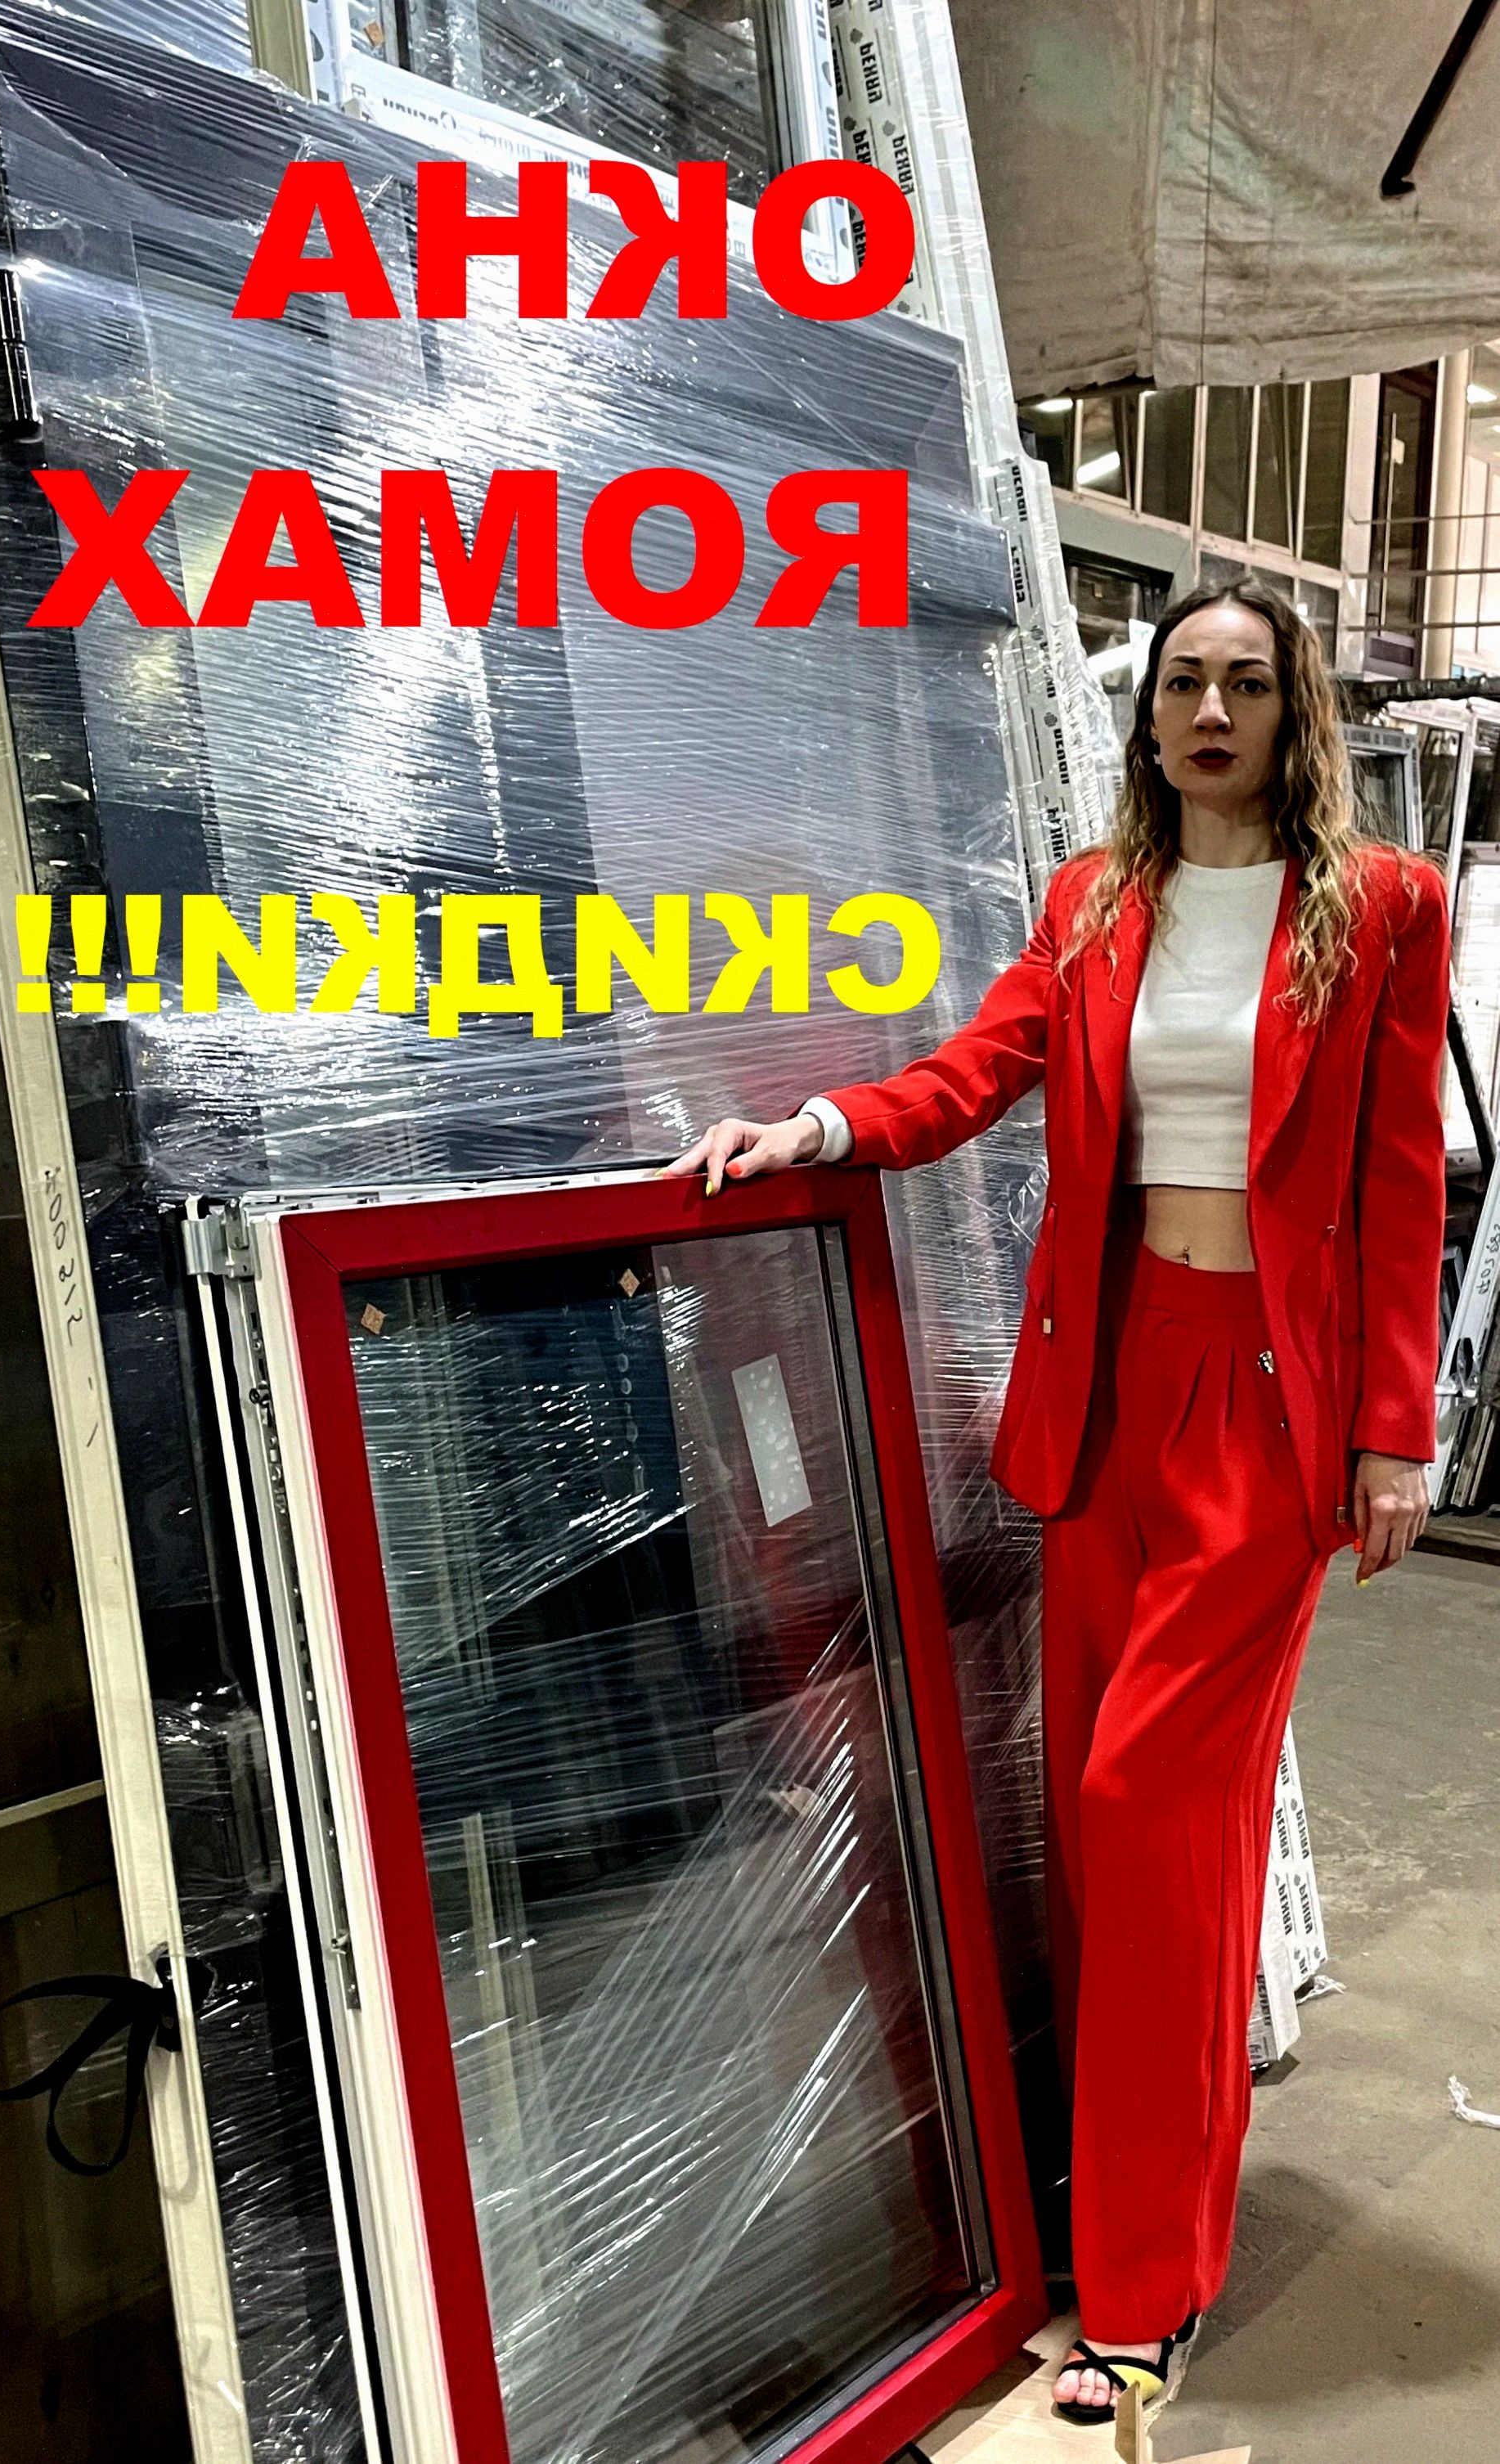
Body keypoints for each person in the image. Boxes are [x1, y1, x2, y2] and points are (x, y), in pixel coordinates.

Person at [662, 580, 1450, 2426]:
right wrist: (820, 1130)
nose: (1209, 711)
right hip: (1104, 1403)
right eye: (1182, 681)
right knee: (1108, 1845)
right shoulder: (1097, 900)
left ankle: (1145, 2292)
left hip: (1267, 1412)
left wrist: (1395, 1430)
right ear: (1146, 712)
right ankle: (1121, 2203)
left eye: (1246, 683)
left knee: (1145, 1810)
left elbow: (1401, 1172)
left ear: (1294, 713)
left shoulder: (1382, 912)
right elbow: (976, 1071)